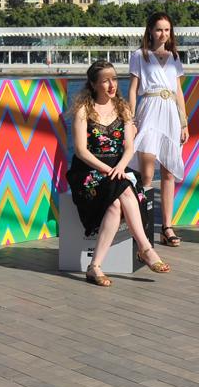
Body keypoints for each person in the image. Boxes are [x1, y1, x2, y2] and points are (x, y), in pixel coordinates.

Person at [67, 61, 171, 286]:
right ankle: (145, 248)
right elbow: (81, 151)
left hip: (118, 168)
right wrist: (108, 170)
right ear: (94, 84)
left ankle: (95, 266)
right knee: (122, 188)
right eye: (105, 80)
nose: (111, 84)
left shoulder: (123, 108)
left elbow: (129, 148)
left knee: (116, 202)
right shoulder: (83, 110)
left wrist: (121, 167)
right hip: (89, 170)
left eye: (114, 79)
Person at [128, 12, 189, 248]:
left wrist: (184, 122)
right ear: (150, 31)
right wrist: (132, 120)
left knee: (168, 172)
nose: (163, 34)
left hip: (171, 114)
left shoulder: (174, 57)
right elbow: (133, 89)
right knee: (146, 173)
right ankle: (142, 226)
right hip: (149, 110)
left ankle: (166, 227)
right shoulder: (139, 55)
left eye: (167, 30)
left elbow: (179, 92)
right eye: (159, 29)